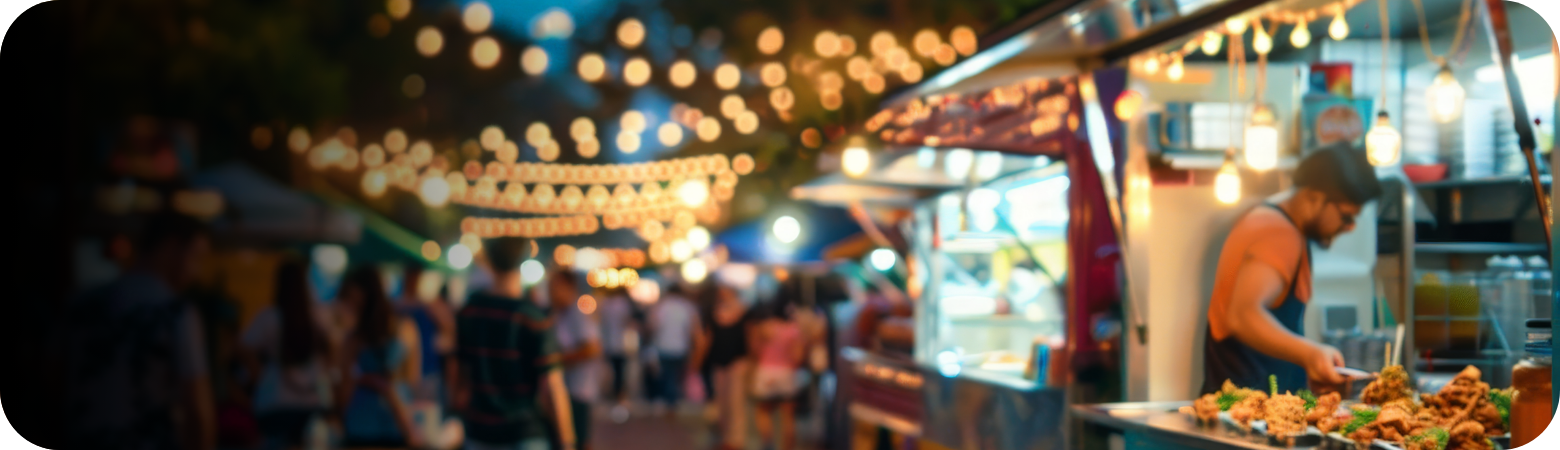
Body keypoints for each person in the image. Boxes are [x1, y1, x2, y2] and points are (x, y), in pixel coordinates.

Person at [1202, 144, 1382, 395]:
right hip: (1246, 416)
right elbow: (1243, 315)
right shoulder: (1278, 233)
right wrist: (1311, 354)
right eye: (1346, 216)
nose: (1350, 227)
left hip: (1252, 410)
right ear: (1315, 197)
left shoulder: (1274, 224)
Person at [59, 211, 217, 450]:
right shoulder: (175, 313)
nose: (196, 272)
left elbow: (48, 386)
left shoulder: (80, 304)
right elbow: (197, 410)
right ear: (171, 246)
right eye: (196, 257)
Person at [454, 237, 574, 450]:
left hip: (479, 431)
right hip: (524, 432)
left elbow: (460, 376)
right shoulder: (533, 318)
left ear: (489, 262)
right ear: (523, 262)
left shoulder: (469, 312)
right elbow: (553, 387)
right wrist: (567, 442)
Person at [240, 257, 339, 450]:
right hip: (313, 399)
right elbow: (332, 354)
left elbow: (243, 348)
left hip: (275, 400)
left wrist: (258, 375)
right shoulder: (319, 317)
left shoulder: (270, 316)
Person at [337, 266, 427, 448]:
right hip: (398, 419)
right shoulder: (407, 328)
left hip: (360, 421)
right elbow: (413, 378)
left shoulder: (354, 338)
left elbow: (345, 385)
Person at [691, 281, 751, 450]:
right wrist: (697, 361)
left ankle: (736, 440)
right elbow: (706, 340)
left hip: (738, 362)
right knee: (722, 403)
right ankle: (726, 438)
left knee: (736, 403)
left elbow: (749, 337)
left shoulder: (744, 311)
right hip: (718, 362)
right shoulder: (712, 313)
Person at [547, 268, 601, 450]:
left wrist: (557, 359)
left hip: (577, 390)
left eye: (554, 286)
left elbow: (592, 348)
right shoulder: (557, 313)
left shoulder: (577, 313)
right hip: (564, 390)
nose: (550, 291)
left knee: (577, 439)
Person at [397, 263, 457, 408]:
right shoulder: (398, 305)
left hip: (427, 372)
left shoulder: (430, 307)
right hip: (402, 374)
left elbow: (450, 331)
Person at [749, 298, 806, 450]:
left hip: (766, 372)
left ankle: (768, 443)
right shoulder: (794, 330)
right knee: (788, 416)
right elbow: (798, 357)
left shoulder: (765, 327)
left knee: (763, 410)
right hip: (786, 373)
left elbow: (755, 350)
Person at [648, 282, 700, 413]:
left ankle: (669, 403)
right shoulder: (688, 307)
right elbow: (693, 330)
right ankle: (673, 403)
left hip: (663, 347)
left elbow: (652, 326)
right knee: (676, 377)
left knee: (666, 377)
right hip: (682, 348)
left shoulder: (661, 306)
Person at [596, 287, 635, 419]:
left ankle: (613, 394)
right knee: (620, 372)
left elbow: (601, 322)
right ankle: (619, 396)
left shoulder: (606, 304)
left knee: (612, 371)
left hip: (609, 343)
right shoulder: (623, 304)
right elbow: (627, 321)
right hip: (620, 343)